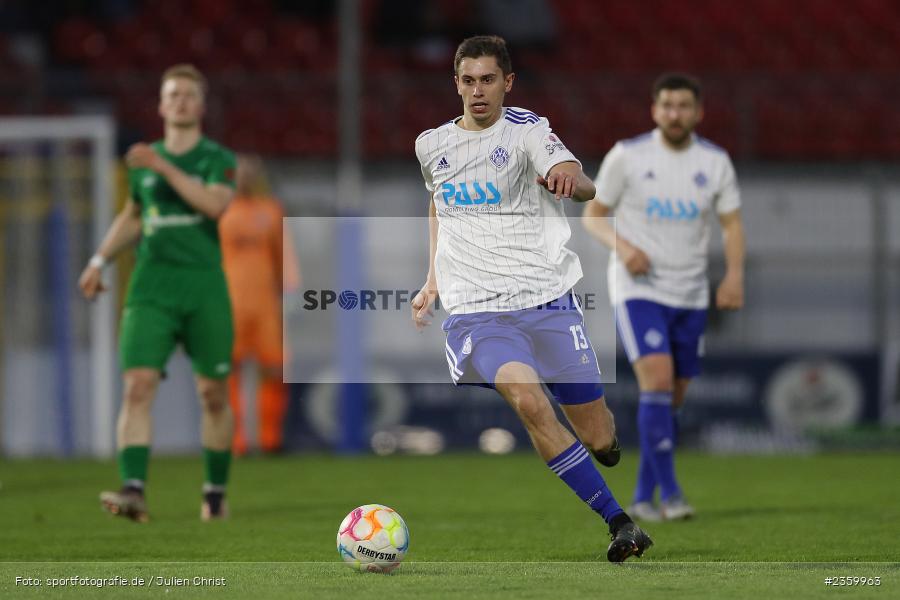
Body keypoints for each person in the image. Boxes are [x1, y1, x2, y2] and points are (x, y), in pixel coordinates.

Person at [411, 35, 652, 562]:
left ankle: (604, 448)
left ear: (507, 83)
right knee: (528, 401)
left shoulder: (528, 131)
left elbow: (582, 185)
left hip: (546, 300)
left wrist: (572, 178)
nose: (478, 91)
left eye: (488, 80)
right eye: (468, 80)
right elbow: (438, 207)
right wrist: (433, 280)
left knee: (598, 436)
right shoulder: (431, 144)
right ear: (456, 84)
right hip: (476, 311)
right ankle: (620, 522)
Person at [582, 73, 746, 521]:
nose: (675, 113)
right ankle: (672, 496)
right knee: (655, 381)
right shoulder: (628, 156)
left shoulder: (714, 162)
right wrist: (625, 247)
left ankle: (641, 497)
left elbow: (731, 224)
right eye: (667, 105)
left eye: (684, 106)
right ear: (655, 110)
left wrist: (733, 276)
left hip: (691, 292)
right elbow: (593, 216)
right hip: (640, 290)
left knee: (671, 397)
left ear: (698, 112)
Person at [79, 64, 237, 522]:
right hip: (150, 287)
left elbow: (214, 204)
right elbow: (133, 215)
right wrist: (97, 260)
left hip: (204, 286)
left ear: (201, 105)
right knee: (138, 386)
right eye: (174, 94)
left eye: (190, 94)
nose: (181, 101)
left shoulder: (215, 157)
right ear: (162, 104)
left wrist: (162, 165)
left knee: (211, 394)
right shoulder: (144, 167)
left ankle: (213, 494)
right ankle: (133, 490)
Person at [219, 155, 300, 455]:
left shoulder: (270, 209)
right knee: (228, 372)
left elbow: (283, 255)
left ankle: (270, 440)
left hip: (265, 305)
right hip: (229, 304)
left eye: (250, 172)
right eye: (239, 173)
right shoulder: (220, 210)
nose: (244, 178)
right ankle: (235, 441)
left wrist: (290, 291)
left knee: (274, 370)